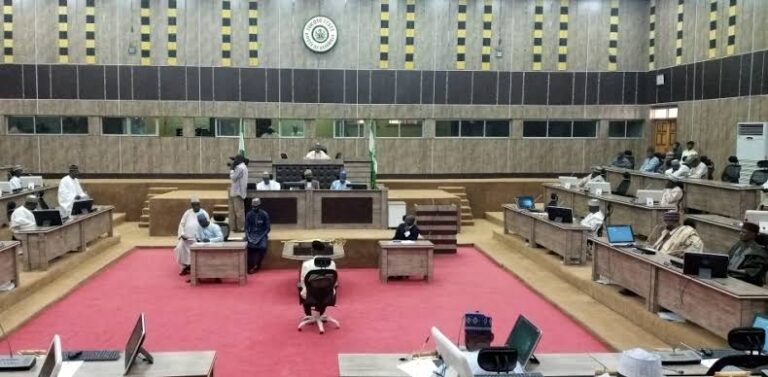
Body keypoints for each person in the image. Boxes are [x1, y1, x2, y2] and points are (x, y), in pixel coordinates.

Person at [299, 240, 337, 319]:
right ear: (323, 251)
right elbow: (335, 282)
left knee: (301, 287)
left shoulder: (306, 264)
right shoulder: (332, 263)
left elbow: (303, 282)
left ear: (312, 251)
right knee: (324, 288)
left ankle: (308, 315)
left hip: (310, 295)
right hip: (328, 295)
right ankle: (321, 313)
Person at [173, 197, 209, 276]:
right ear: (192, 205)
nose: (196, 206)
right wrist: (182, 235)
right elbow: (181, 224)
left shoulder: (204, 213)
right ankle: (185, 267)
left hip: (198, 239)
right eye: (194, 205)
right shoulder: (187, 213)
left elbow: (207, 226)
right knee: (179, 247)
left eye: (197, 205)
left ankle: (195, 267)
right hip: (186, 239)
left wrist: (203, 237)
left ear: (199, 205)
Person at [727, 222, 768, 286]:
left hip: (745, 282)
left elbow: (751, 272)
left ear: (753, 234)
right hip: (729, 276)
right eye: (740, 231)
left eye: (744, 232)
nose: (740, 234)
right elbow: (727, 258)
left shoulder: (759, 251)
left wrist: (731, 270)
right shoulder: (738, 244)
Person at [245, 198, 271, 274]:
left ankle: (257, 265)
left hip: (261, 235)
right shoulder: (249, 214)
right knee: (247, 247)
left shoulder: (264, 214)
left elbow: (267, 229)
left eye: (256, 206)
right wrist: (249, 237)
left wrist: (259, 238)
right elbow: (246, 228)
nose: (254, 208)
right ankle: (250, 266)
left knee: (263, 247)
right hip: (251, 234)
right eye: (253, 206)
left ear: (259, 206)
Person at [228, 154, 248, 232]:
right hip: (237, 191)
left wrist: (232, 169)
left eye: (235, 160)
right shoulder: (243, 167)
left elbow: (233, 178)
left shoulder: (240, 168)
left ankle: (241, 227)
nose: (234, 162)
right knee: (236, 211)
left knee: (239, 212)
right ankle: (235, 227)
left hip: (238, 192)